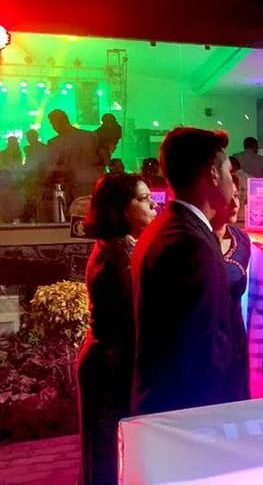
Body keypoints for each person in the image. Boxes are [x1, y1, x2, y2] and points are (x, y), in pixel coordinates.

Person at [131, 127, 247, 415]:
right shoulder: (190, 245)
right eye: (229, 171)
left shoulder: (171, 226)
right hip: (190, 413)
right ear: (213, 174)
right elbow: (204, 355)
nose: (232, 180)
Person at [79, 174, 157, 485]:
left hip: (108, 362)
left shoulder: (122, 247)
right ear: (120, 209)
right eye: (143, 199)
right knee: (108, 456)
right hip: (109, 367)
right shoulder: (118, 254)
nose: (153, 205)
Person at [212, 177, 251, 330]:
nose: (235, 204)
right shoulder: (197, 240)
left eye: (236, 196)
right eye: (229, 197)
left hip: (234, 332)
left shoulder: (241, 240)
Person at [47, 109, 102, 199]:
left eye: (52, 124)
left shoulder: (55, 142)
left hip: (72, 187)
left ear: (55, 123)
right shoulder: (90, 136)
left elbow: (54, 168)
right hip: (94, 184)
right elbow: (101, 160)